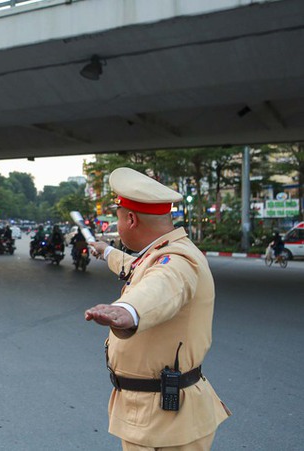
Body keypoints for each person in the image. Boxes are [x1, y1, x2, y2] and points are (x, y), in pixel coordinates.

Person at [86, 167, 230, 450]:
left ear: (130, 219)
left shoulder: (177, 261)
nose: (118, 225)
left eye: (118, 218)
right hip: (151, 413)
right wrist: (106, 252)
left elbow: (162, 287)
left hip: (166, 420)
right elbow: (135, 268)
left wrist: (129, 310)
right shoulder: (160, 253)